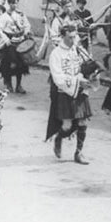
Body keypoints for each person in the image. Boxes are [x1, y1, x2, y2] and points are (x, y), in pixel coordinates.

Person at [46, 24, 92, 165]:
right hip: (65, 92)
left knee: (83, 122)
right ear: (63, 37)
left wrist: (90, 72)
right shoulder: (56, 54)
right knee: (67, 126)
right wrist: (76, 82)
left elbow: (84, 64)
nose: (73, 40)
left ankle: (78, 153)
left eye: (74, 37)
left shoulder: (77, 49)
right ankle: (59, 137)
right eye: (70, 37)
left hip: (80, 91)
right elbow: (58, 77)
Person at [0, 0, 31, 93]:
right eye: (14, 3)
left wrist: (26, 32)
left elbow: (27, 25)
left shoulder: (21, 14)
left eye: (16, 3)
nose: (15, 5)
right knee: (9, 65)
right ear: (9, 4)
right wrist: (5, 39)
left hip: (20, 41)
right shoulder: (4, 16)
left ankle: (19, 85)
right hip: (10, 43)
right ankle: (8, 84)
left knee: (21, 65)